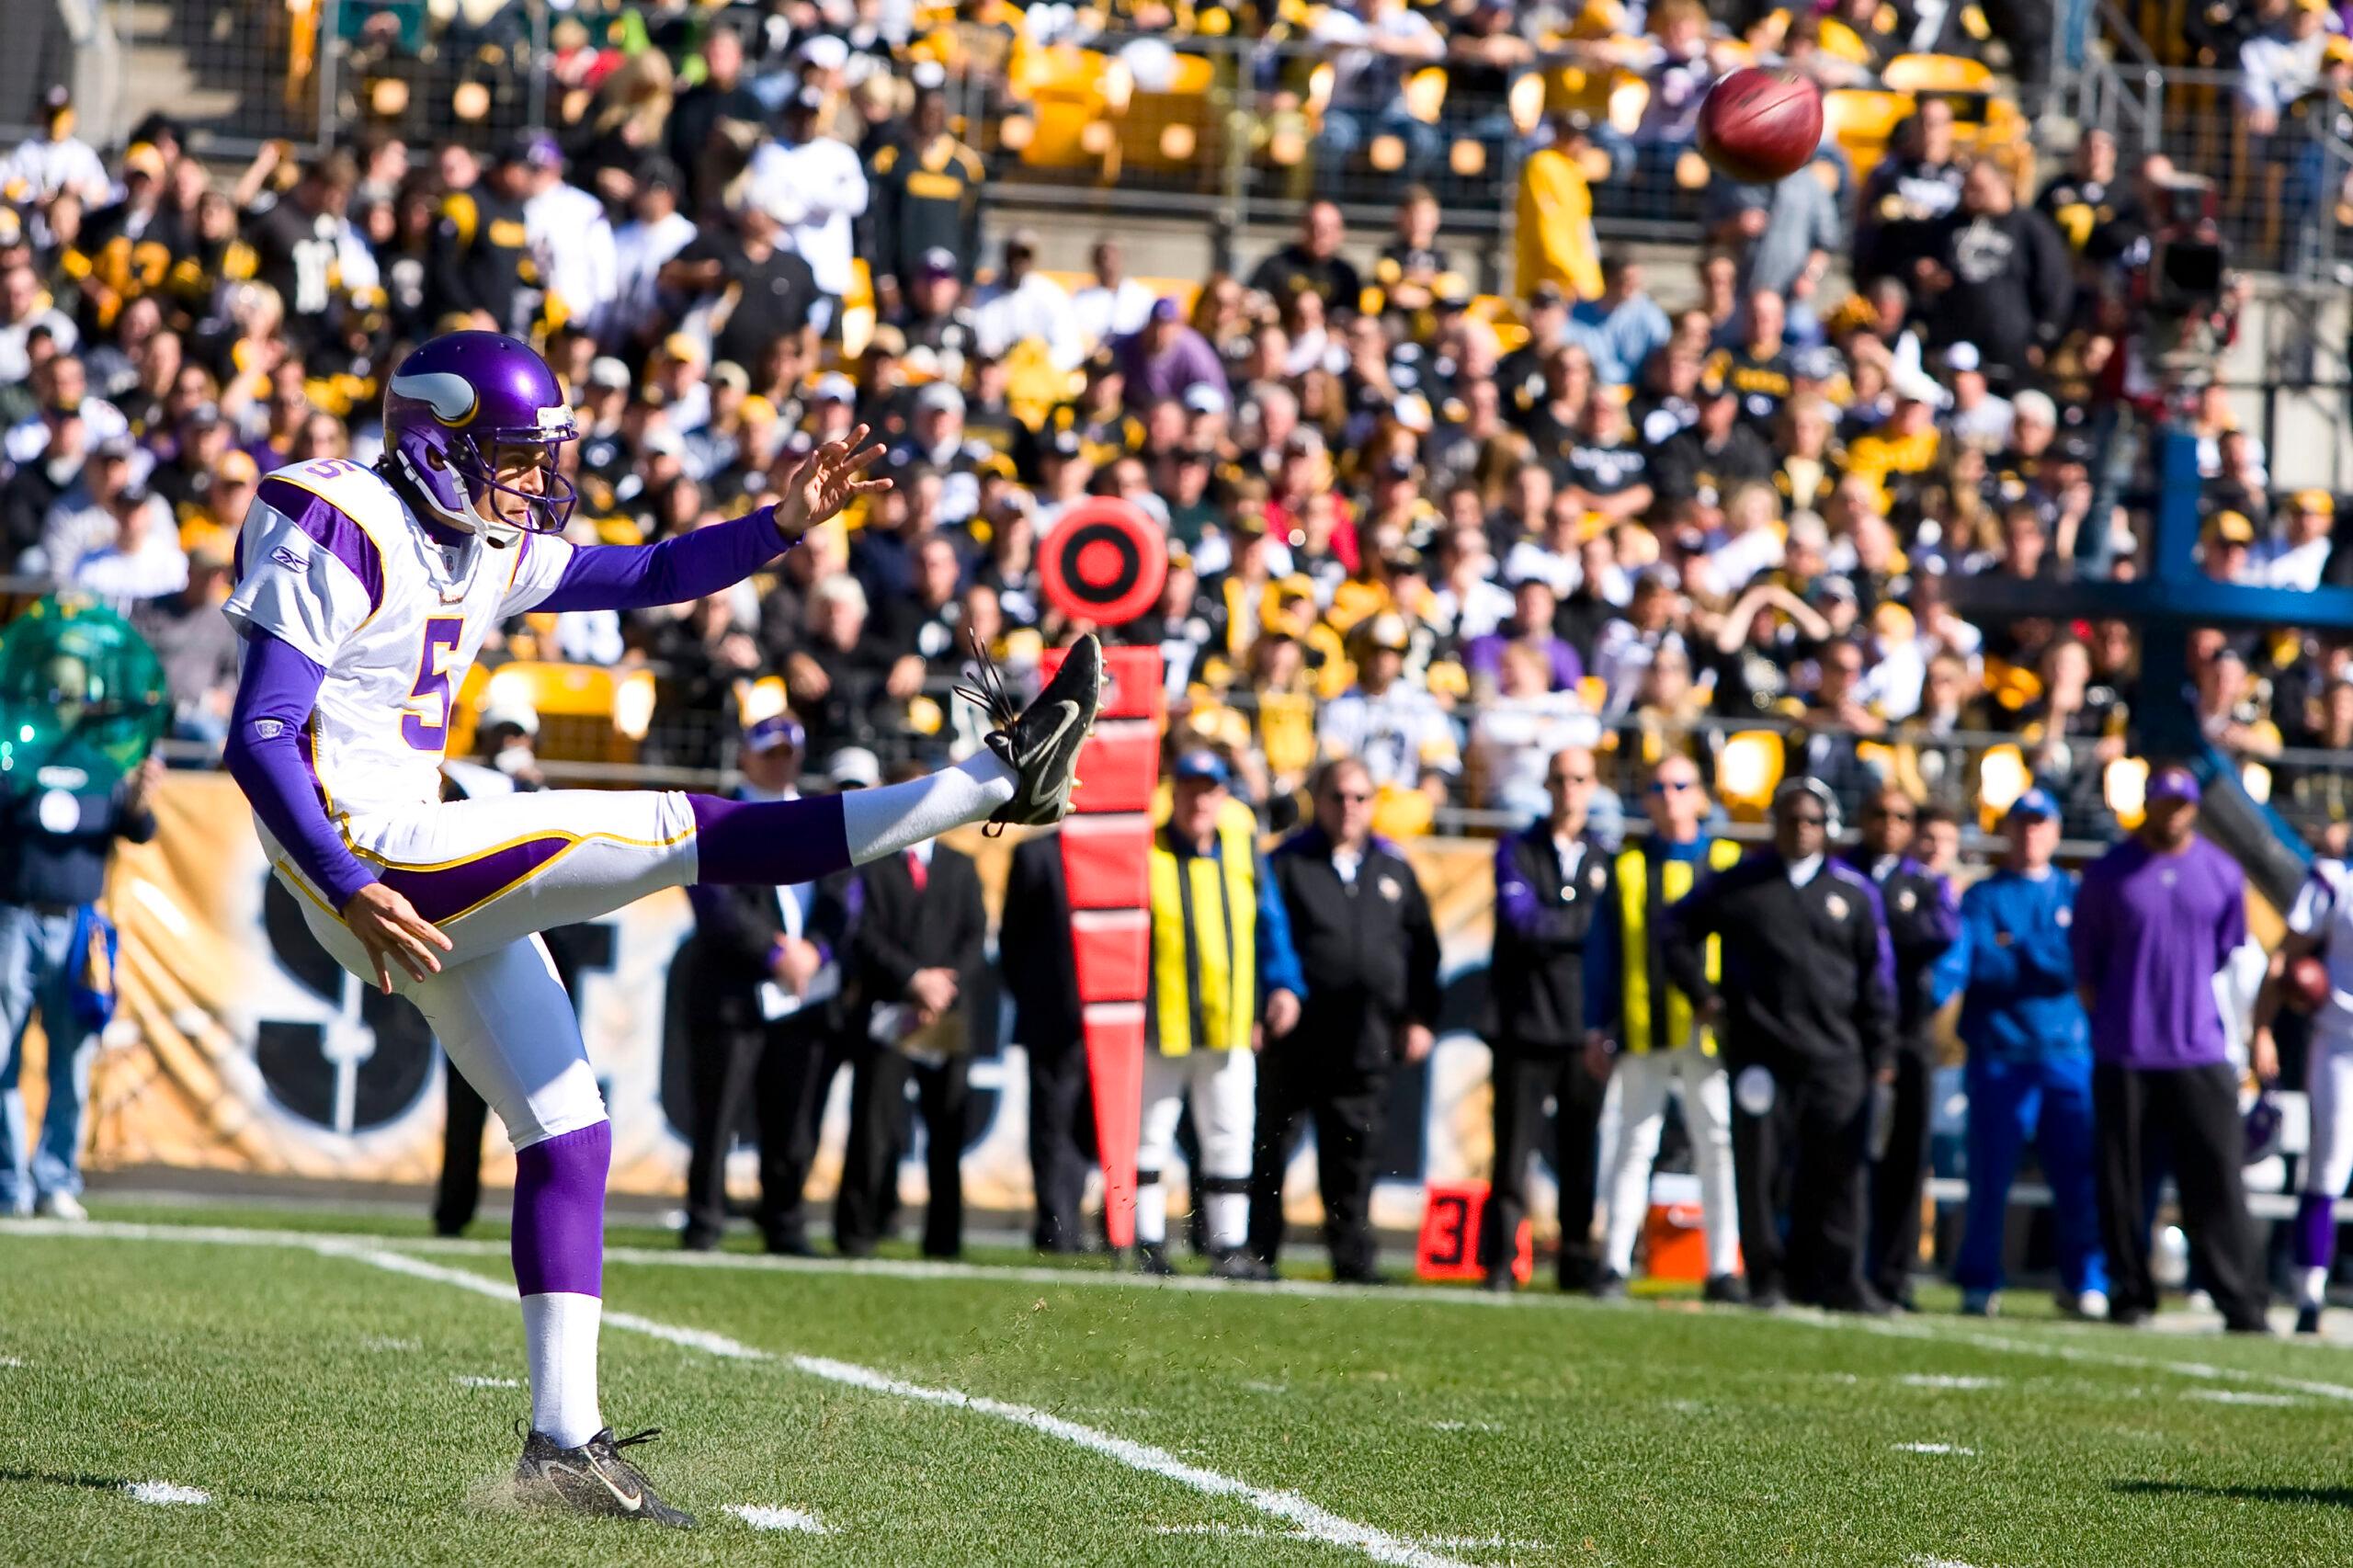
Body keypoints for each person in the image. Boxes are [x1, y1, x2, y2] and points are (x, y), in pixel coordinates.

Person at [216, 330, 1104, 1524]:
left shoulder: (472, 543)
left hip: (406, 852)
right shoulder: (333, 517)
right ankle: (991, 782)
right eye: (515, 457)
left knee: (569, 1129)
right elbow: (260, 735)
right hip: (372, 855)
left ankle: (562, 1444)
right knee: (685, 827)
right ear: (437, 444)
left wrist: (778, 527)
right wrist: (341, 875)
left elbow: (643, 576)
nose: (535, 480)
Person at [1665, 777, 1895, 1312]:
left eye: (1812, 820)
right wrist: (1704, 997)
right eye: (1791, 820)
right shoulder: (1741, 885)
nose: (1801, 830)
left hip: (1836, 1055)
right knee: (1760, 1172)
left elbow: (1876, 980)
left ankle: (1838, 1278)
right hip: (1760, 1055)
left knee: (1838, 1173)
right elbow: (1673, 931)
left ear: (1829, 826)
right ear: (1774, 824)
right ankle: (1767, 1278)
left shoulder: (1853, 893)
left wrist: (1879, 1054)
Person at [2072, 766, 2269, 1334]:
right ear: (2149, 805)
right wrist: (2114, 1020)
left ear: (2194, 809)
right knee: (2123, 1182)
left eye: (2183, 804)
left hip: (2199, 1047)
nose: (2174, 813)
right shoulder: (2110, 874)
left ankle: (2238, 1299)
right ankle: (2129, 1293)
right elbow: (2088, 968)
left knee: (2216, 1180)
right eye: (2165, 802)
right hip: (2126, 1047)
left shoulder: (2221, 873)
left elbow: (2233, 961)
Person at [1251, 758, 1440, 1283]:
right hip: (1297, 1034)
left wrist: (1419, 1016)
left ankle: (1352, 1258)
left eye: (1359, 798)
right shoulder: (1288, 862)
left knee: (1354, 1154)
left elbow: (1423, 949)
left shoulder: (1393, 867)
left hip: (1367, 1035)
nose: (1348, 808)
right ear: (1318, 799)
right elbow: (1264, 938)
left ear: (1374, 804)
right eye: (1338, 796)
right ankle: (1259, 1251)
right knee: (1272, 1146)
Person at [677, 715, 849, 1254]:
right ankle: (704, 1221)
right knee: (718, 1117)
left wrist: (815, 951)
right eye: (770, 752)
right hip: (734, 991)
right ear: (746, 757)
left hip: (802, 993)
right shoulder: (722, 813)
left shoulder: (816, 814)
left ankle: (785, 1221)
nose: (781, 762)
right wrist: (776, 953)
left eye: (788, 752)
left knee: (794, 1119)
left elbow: (847, 895)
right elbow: (712, 899)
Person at [1138, 751, 1305, 1278]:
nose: (1199, 800)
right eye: (1190, 788)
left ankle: (1228, 1244)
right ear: (1175, 793)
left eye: (1209, 790)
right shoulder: (1150, 850)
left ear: (1222, 796)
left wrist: (1283, 985)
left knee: (1230, 1131)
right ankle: (1144, 1240)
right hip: (1161, 1019)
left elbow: (1270, 920)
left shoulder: (1240, 850)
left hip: (1231, 1019)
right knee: (1151, 1131)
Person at [1951, 789, 2109, 1318]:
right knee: (1989, 1177)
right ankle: (1980, 1278)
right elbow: (1981, 966)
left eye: (2040, 824)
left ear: (2056, 831)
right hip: (2000, 1053)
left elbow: (2072, 963)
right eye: (2021, 824)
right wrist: (2033, 956)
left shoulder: (2075, 893)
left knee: (2077, 1178)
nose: (2030, 834)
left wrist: (2013, 947)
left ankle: (2084, 1278)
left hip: (2065, 1054)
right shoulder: (1982, 896)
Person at [1592, 755, 1745, 1300]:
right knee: (1633, 1141)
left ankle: (1723, 1265)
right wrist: (1598, 1024)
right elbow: (1603, 953)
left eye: (1681, 785)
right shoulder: (1629, 866)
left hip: (1711, 1034)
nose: (1670, 797)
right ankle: (1614, 1262)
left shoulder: (1728, 862)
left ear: (1701, 795)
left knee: (1718, 1145)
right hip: (1644, 1026)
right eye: (1658, 787)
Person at [835, 760, 990, 1260]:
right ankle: (858, 1232)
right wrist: (912, 980)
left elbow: (973, 936)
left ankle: (944, 1240)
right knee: (873, 1125)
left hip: (941, 1015)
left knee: (947, 1128)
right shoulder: (872, 861)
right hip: (889, 1009)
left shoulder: (960, 865)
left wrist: (942, 988)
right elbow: (863, 936)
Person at [0, 754, 162, 1218]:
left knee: (73, 1062)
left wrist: (138, 797)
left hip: (79, 926)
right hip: (15, 915)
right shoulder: (16, 753)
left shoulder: (103, 766)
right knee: (3, 1056)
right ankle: (11, 1183)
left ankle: (54, 1180)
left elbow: (140, 830)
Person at [1483, 745, 1613, 1291]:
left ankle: (1578, 1261)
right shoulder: (1518, 849)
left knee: (1580, 1153)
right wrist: (1580, 923)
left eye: (1578, 779)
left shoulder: (1605, 856)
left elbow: (1600, 936)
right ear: (1546, 785)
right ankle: (1500, 1264)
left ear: (1592, 786)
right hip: (1525, 1023)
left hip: (1582, 1028)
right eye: (1559, 779)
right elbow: (1522, 923)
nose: (1568, 790)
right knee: (1512, 1155)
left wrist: (1561, 923)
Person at [1845, 787, 1959, 1310]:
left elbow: (1937, 935)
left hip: (1908, 1035)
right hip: (1847, 1034)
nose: (1889, 824)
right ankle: (1836, 1266)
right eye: (1879, 813)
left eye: (1900, 816)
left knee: (1905, 1160)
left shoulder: (1924, 884)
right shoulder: (1842, 873)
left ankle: (1893, 1272)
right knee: (1841, 1156)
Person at [2256, 835, 2353, 1334]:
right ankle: (2310, 1293)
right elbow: (2284, 958)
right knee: (2329, 1166)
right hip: (2341, 1041)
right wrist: (2263, 1027)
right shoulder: (2335, 882)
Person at [1000, 827, 1093, 1254]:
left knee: (1097, 1129)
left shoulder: (1124, 851)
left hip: (1112, 1021)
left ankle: (1106, 1226)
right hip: (1053, 1017)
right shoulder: (1035, 855)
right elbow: (1012, 941)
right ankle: (1057, 1227)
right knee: (1053, 1126)